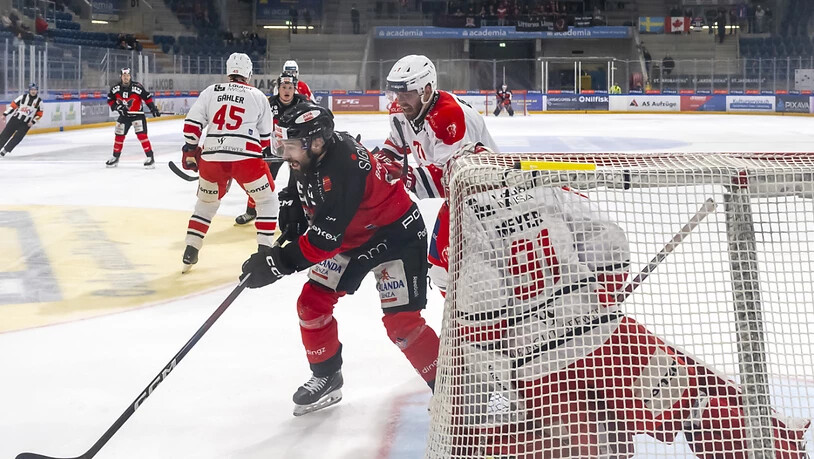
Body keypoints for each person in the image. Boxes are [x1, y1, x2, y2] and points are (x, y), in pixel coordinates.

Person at [448, 144, 810, 458]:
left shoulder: (462, 213)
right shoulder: (544, 184)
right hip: (604, 338)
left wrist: (498, 354)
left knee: (588, 447)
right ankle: (777, 446)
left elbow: (481, 294)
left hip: (537, 367)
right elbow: (608, 240)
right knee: (694, 408)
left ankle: (490, 447)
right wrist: (605, 291)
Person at [239, 103, 440, 416]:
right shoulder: (313, 154)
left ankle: (449, 388)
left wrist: (278, 262)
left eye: (290, 147)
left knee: (402, 324)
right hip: (353, 236)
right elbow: (302, 174)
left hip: (395, 236)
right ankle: (327, 375)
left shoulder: (345, 165)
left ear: (317, 142)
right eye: (284, 145)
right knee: (311, 304)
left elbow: (322, 241)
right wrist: (293, 199)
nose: (285, 154)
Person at [379, 54, 498, 297]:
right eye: (396, 94)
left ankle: (476, 322)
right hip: (460, 201)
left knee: (479, 270)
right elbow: (396, 143)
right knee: (441, 270)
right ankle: (459, 325)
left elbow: (452, 179)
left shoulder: (449, 116)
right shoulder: (401, 111)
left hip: (490, 194)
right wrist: (377, 161)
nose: (399, 101)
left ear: (427, 90)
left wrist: (405, 175)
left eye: (407, 93)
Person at [179, 53, 277, 273]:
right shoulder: (258, 95)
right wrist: (259, 150)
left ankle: (190, 249)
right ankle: (264, 250)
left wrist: (190, 149)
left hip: (212, 157)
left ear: (228, 71)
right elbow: (265, 138)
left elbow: (192, 125)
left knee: (205, 205)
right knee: (267, 200)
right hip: (247, 159)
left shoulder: (211, 91)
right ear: (249, 73)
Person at [235, 71, 309, 226]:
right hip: (275, 148)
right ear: (278, 88)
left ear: (294, 88)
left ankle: (299, 215)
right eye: (284, 86)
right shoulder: (270, 103)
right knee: (262, 181)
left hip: (296, 150)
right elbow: (258, 125)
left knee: (297, 183)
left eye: (290, 87)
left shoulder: (303, 102)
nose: (287, 90)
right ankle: (251, 211)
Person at [105, 68, 161, 168]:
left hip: (137, 115)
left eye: (127, 75)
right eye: (124, 76)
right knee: (119, 135)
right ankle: (115, 157)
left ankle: (150, 157)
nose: (126, 77)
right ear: (121, 76)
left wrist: (153, 108)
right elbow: (110, 100)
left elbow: (147, 97)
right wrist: (118, 107)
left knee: (142, 136)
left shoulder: (137, 87)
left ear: (130, 76)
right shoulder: (115, 88)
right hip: (124, 115)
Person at [0, 83, 43, 157]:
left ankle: (6, 150)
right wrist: (5, 114)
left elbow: (39, 114)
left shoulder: (39, 102)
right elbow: (13, 106)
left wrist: (32, 122)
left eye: (35, 90)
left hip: (26, 123)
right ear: (29, 90)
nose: (33, 91)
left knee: (18, 138)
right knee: (5, 134)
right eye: (32, 90)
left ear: (37, 91)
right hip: (15, 119)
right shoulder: (22, 97)